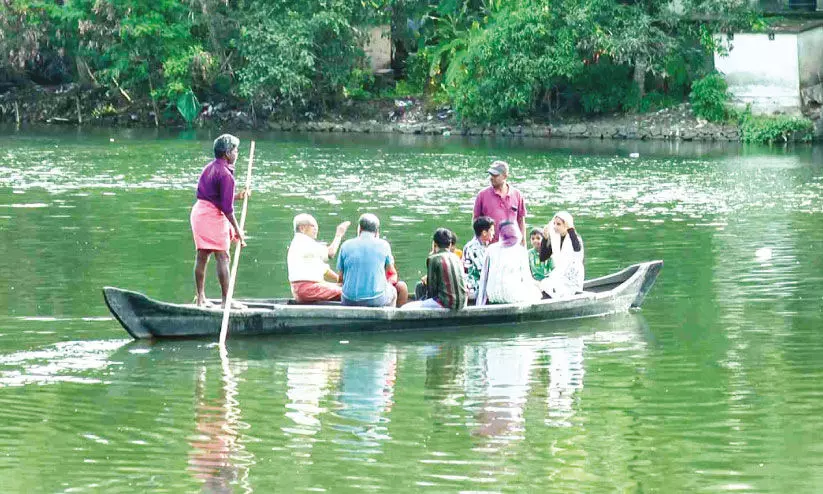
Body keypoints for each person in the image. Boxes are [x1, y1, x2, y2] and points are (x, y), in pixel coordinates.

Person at [190, 134, 248, 308]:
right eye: (235, 150)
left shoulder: (210, 167)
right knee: (222, 256)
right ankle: (226, 301)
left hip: (199, 213)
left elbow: (216, 198)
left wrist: (237, 196)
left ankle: (200, 299)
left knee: (202, 256)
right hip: (212, 217)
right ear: (227, 153)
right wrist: (238, 231)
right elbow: (226, 209)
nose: (237, 154)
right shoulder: (226, 175)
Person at [337, 213, 408, 307]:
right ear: (377, 231)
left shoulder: (345, 245)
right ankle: (391, 320)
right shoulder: (384, 245)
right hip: (375, 300)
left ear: (359, 229)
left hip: (347, 300)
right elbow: (391, 272)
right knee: (394, 291)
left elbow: (341, 279)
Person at [287, 213, 351, 303]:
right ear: (302, 228)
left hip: (305, 290)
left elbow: (323, 269)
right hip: (307, 289)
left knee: (342, 287)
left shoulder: (303, 244)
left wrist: (340, 281)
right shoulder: (303, 242)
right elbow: (330, 253)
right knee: (349, 293)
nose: (316, 229)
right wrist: (339, 234)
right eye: (313, 226)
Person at [476, 221, 542, 305]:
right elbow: (527, 279)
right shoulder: (521, 251)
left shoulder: (491, 248)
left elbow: (484, 277)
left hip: (492, 295)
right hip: (511, 296)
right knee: (536, 293)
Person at [404, 228, 468, 310]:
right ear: (450, 244)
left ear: (435, 243)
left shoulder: (433, 259)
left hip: (447, 303)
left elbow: (432, 290)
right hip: (462, 303)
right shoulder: (456, 257)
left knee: (406, 307)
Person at [472, 160, 527, 245]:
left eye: (495, 175)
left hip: (512, 245)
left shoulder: (517, 194)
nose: (491, 177)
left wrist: (523, 243)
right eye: (490, 175)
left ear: (505, 176)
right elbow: (476, 221)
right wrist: (479, 243)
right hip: (489, 246)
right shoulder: (482, 195)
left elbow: (521, 221)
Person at [538, 211, 584, 299]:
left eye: (558, 224)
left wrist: (571, 229)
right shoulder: (556, 239)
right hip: (559, 276)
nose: (555, 226)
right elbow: (543, 257)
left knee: (551, 287)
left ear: (566, 225)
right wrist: (545, 238)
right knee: (544, 284)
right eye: (554, 223)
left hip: (572, 278)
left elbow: (577, 249)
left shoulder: (574, 237)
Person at [462, 216, 495, 301]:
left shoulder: (484, 245)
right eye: (491, 230)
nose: (494, 233)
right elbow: (484, 270)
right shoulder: (473, 247)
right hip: (473, 286)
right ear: (484, 232)